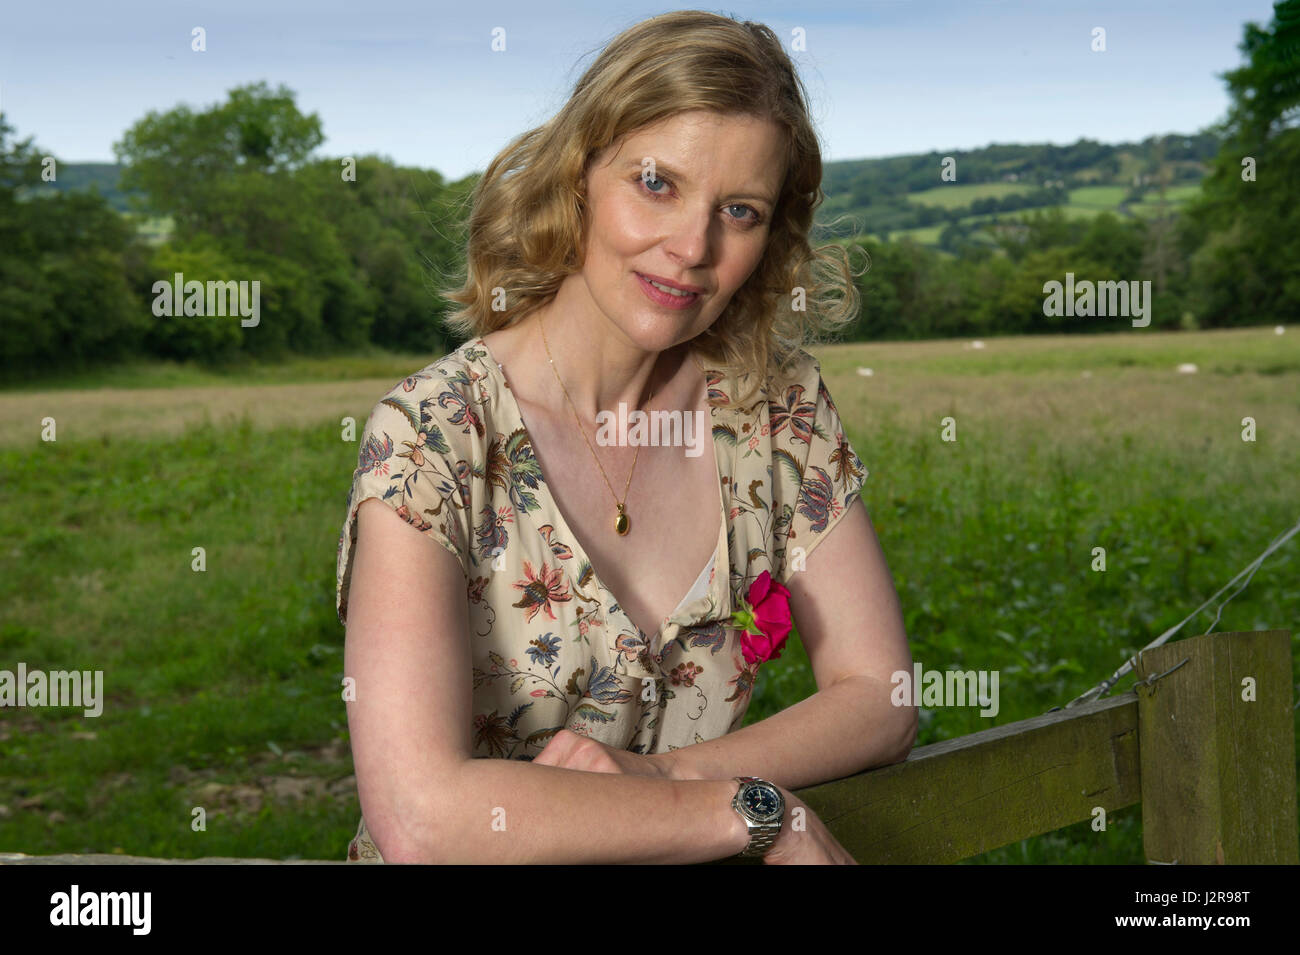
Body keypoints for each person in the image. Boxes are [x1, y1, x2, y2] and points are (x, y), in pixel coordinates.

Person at [334, 9, 915, 864]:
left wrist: (668, 775)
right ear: (579, 175)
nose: (691, 246)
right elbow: (422, 819)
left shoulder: (777, 412)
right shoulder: (434, 433)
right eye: (656, 183)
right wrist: (754, 813)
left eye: (741, 211)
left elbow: (882, 694)